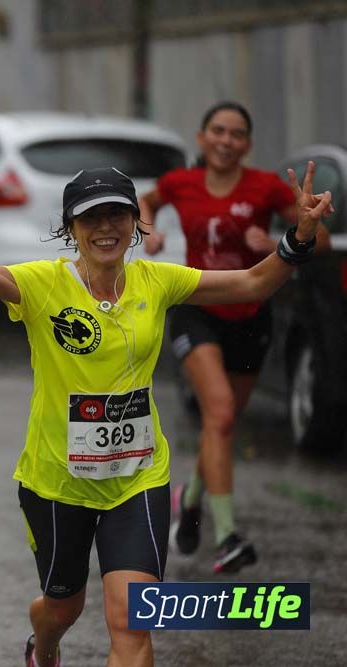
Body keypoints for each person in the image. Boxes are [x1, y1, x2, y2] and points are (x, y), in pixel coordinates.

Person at [0, 149, 330, 667]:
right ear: (71, 227)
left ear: (134, 223)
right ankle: (46, 646)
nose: (106, 228)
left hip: (138, 479)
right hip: (58, 481)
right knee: (63, 607)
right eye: (91, 217)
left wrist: (299, 238)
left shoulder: (158, 281)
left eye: (117, 215)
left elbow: (252, 282)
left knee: (132, 619)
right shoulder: (43, 283)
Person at [138, 101, 331, 574]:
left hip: (250, 314)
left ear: (247, 144)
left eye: (237, 134)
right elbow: (146, 201)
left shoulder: (264, 187)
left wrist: (282, 240)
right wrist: (147, 231)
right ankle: (227, 537)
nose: (226, 140)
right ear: (202, 138)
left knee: (222, 426)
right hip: (196, 308)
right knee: (220, 412)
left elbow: (319, 239)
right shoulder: (179, 183)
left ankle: (191, 498)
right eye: (217, 131)